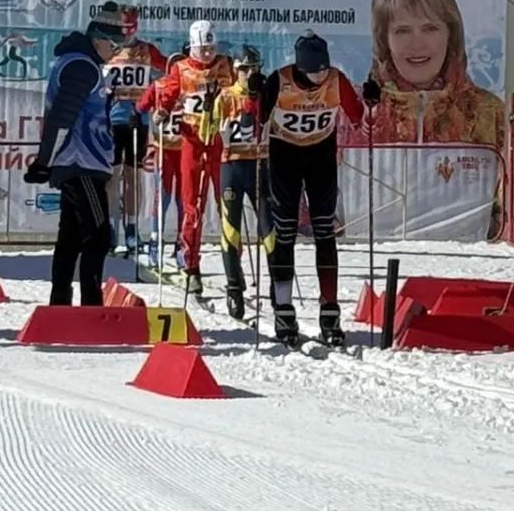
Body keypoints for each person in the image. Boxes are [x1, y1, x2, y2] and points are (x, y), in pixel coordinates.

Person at [256, 32, 371, 346]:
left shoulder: (336, 80)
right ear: (301, 66)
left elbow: (359, 118)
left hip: (321, 155)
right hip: (285, 156)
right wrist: (256, 96)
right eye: (314, 71)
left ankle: (329, 310)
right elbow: (256, 121)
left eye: (324, 69)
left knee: (324, 230)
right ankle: (283, 307)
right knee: (286, 231)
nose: (321, 76)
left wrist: (371, 100)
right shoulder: (280, 81)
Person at [25, 19, 118, 306]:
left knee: (71, 236)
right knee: (99, 236)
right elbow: (61, 117)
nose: (115, 52)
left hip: (82, 162)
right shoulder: (82, 67)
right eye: (112, 45)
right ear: (97, 40)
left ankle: (60, 302)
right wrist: (44, 161)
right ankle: (91, 305)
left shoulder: (81, 64)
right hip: (81, 163)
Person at [364, 0, 505, 148]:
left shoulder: (490, 112)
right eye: (402, 31)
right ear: (384, 40)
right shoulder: (356, 113)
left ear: (450, 34)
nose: (417, 44)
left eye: (430, 29)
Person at [147, 20, 235, 293]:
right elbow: (169, 93)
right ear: (192, 48)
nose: (207, 54)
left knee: (228, 204)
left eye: (210, 48)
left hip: (220, 143)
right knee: (192, 207)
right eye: (202, 49)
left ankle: (234, 265)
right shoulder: (182, 68)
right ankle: (191, 264)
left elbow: (238, 92)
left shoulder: (225, 65)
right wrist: (161, 110)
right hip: (192, 143)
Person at [99, 2, 168, 257]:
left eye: (131, 29)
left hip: (137, 121)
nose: (127, 35)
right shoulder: (108, 51)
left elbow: (171, 71)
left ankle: (131, 229)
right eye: (122, 29)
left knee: (133, 178)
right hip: (112, 121)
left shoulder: (146, 50)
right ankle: (110, 229)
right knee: (111, 178)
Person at [211, 45, 275, 320]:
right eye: (244, 69)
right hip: (232, 167)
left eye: (254, 68)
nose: (249, 73)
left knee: (269, 230)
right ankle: (234, 288)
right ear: (235, 70)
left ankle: (277, 287)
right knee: (230, 230)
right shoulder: (225, 96)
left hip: (260, 166)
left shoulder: (266, 95)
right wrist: (212, 123)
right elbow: (207, 134)